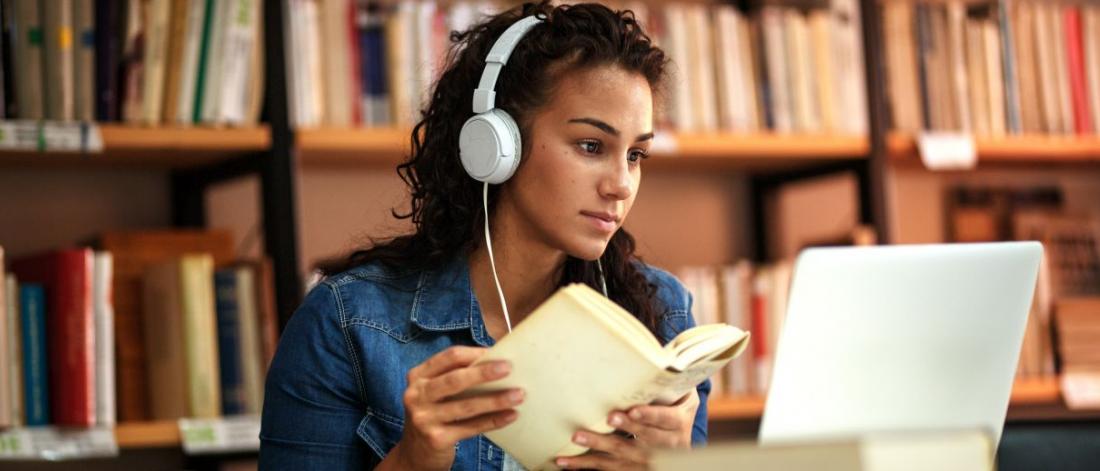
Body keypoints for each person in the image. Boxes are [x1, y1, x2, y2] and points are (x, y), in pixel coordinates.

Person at [259, 2, 710, 470]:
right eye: (591, 146)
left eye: (636, 155)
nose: (620, 184)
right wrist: (412, 461)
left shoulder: (664, 316)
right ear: (496, 146)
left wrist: (673, 465)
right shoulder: (346, 324)